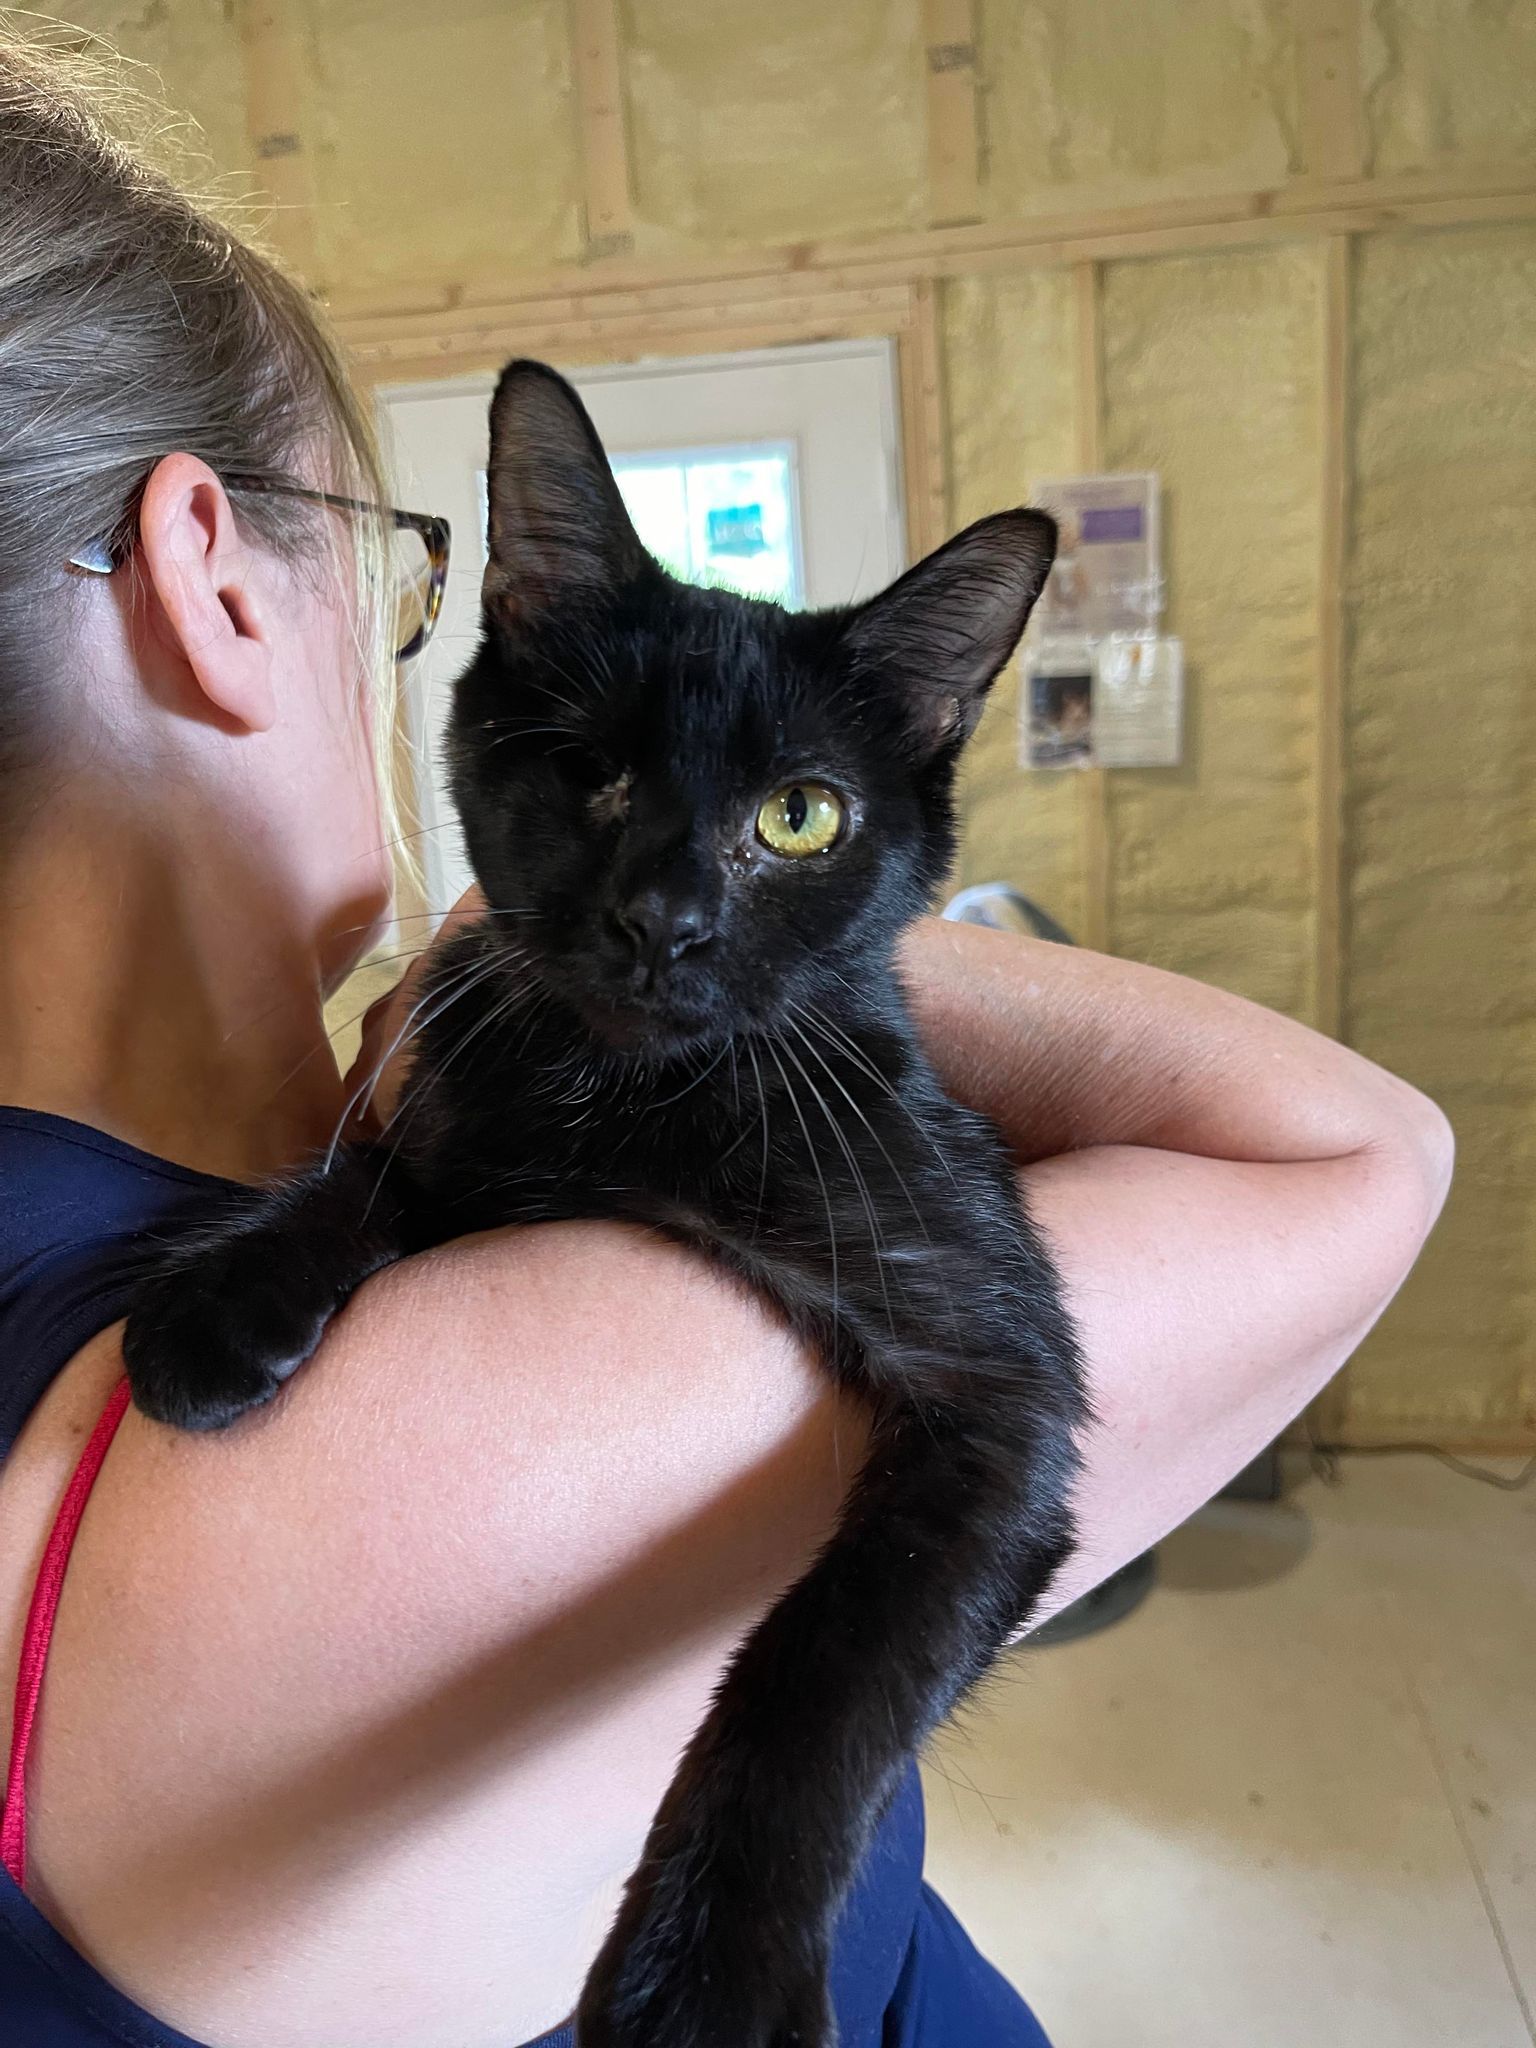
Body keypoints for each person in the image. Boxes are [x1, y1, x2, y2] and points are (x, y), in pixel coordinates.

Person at [0, 31, 1453, 2048]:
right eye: (407, 585)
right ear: (213, 589)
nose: (670, 904)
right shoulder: (369, 1443)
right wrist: (806, 931)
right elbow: (1367, 1154)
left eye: (786, 822)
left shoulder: (284, 1138)